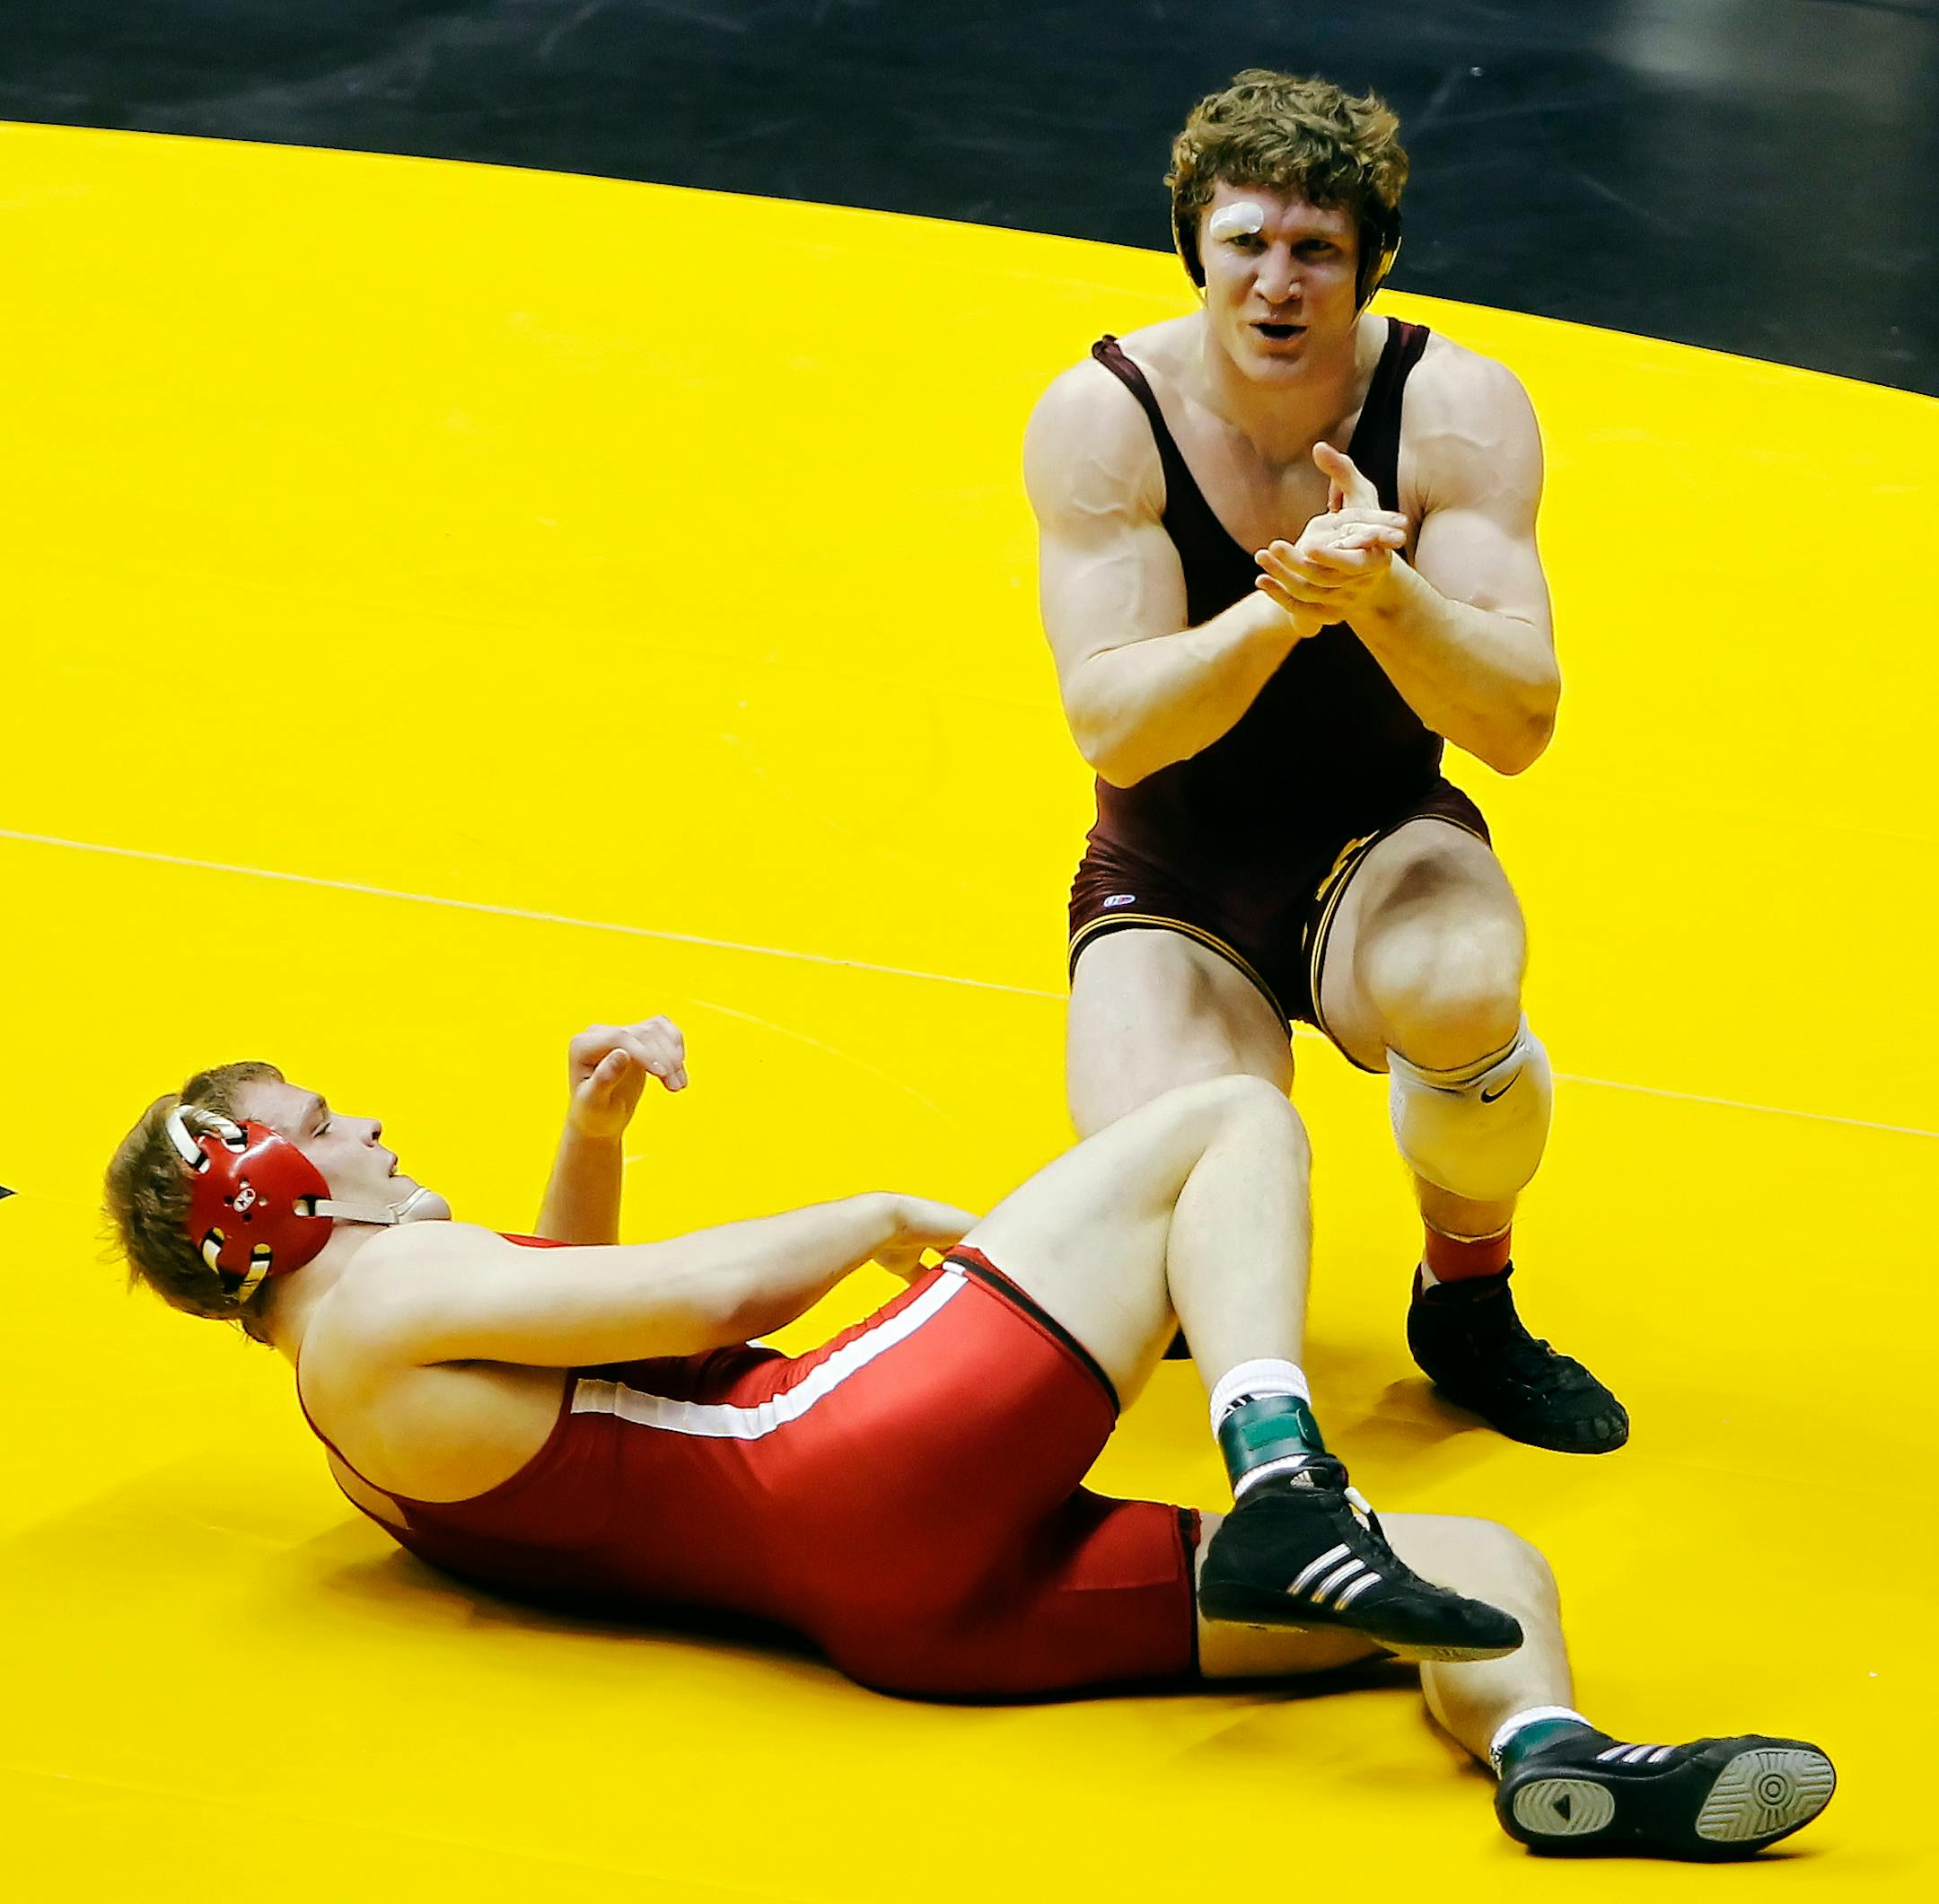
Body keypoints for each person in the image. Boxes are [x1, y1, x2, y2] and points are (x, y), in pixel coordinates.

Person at [105, 1016, 1832, 1858]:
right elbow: (696, 1306)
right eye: (324, 1125)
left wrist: (587, 1131)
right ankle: (1281, 1472)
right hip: (846, 1451)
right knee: (1226, 1119)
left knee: (1473, 1567)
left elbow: (581, 1372)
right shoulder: (388, 1298)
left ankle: (1556, 1760)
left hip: (912, 1614)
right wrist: (867, 1207)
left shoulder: (350, 1380)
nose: (374, 1122)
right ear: (265, 1191)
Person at [1024, 70, 1623, 1452]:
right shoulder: (1106, 414)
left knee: (1464, 981)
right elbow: (1117, 724)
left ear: (1372, 263)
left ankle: (1469, 1299)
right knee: (1187, 1162)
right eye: (1248, 244)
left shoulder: (1455, 408)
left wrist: (1390, 601)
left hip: (1379, 843)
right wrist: (1279, 608)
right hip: (1170, 869)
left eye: (1317, 251)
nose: (1279, 285)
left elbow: (1520, 724)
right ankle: (1259, 1404)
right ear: (1194, 245)